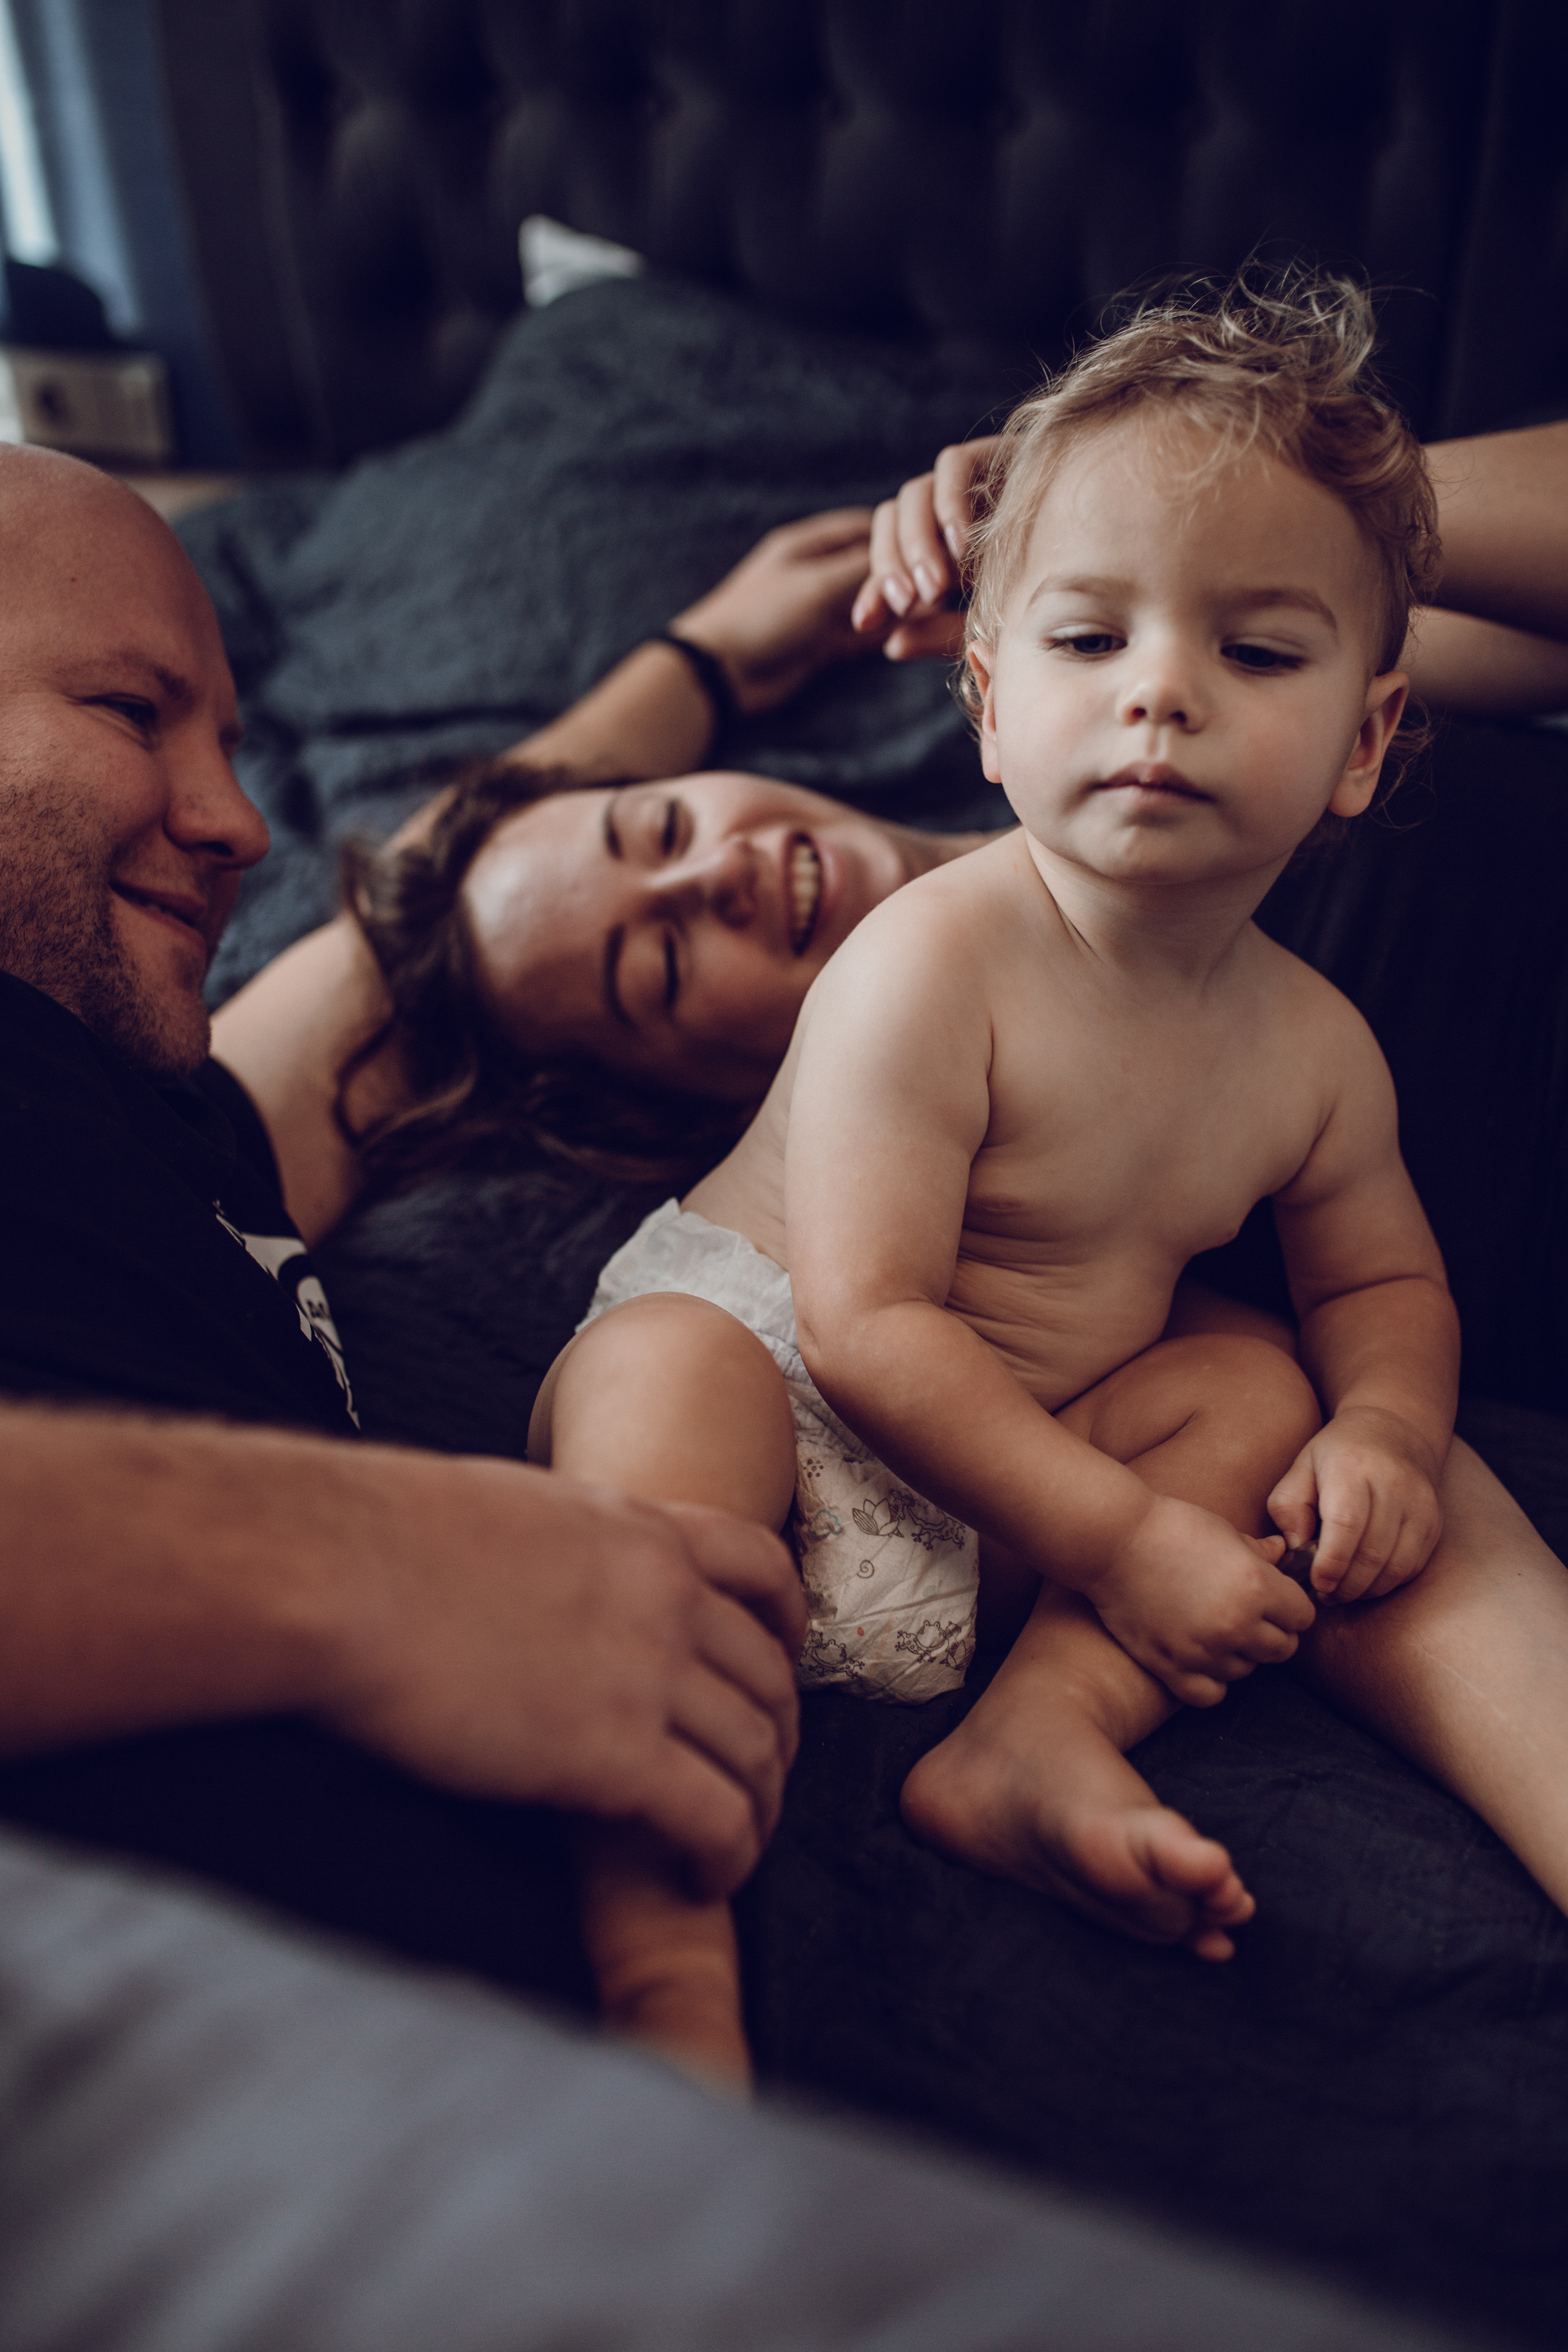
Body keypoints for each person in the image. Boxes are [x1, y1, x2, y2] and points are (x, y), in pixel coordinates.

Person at [527, 276, 1568, 2080]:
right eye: (1091, 640)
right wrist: (1134, 1541)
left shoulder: (1317, 1050)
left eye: (1258, 655)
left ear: (1366, 741)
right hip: (788, 1388)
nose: (1161, 692)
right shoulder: (930, 962)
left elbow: (1382, 1286)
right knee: (666, 1376)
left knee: (1257, 1381)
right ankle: (662, 1963)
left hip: (1010, 1490)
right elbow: (863, 1326)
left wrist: (1388, 1439)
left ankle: (1033, 1736)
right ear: (989, 707)